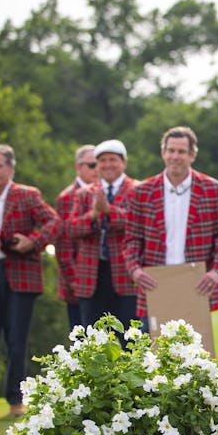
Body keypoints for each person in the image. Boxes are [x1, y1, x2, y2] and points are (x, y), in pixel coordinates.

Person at [124, 126, 218, 323]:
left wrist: (217, 271)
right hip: (155, 283)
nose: (175, 156)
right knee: (152, 351)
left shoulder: (212, 189)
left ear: (192, 155)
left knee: (196, 352)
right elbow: (132, 237)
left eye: (181, 151)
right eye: (171, 150)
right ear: (163, 153)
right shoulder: (142, 190)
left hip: (196, 283)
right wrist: (135, 270)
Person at [0, 144, 60, 417]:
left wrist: (33, 242)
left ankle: (17, 400)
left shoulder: (27, 195)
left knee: (17, 340)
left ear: (10, 167)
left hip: (21, 275)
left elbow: (53, 222)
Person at [67, 140, 139, 328]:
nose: (107, 165)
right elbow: (71, 228)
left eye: (112, 160)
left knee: (128, 336)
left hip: (125, 275)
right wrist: (93, 214)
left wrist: (109, 211)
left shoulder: (137, 190)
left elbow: (138, 223)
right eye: (102, 161)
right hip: (92, 276)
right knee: (93, 339)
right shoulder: (84, 194)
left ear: (123, 162)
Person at [55, 144, 97, 328]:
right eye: (92, 165)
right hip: (78, 282)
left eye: (100, 163)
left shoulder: (104, 191)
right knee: (82, 339)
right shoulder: (67, 197)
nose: (98, 169)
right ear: (78, 167)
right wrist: (75, 281)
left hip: (102, 279)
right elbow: (63, 246)